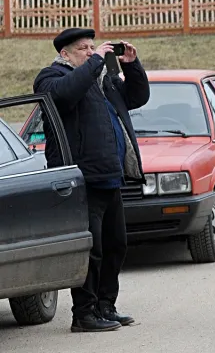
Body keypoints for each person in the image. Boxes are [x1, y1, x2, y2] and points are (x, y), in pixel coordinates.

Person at [33, 28, 149, 333]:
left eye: (93, 47)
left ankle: (105, 306)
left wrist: (132, 66)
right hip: (80, 179)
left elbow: (137, 97)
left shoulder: (102, 81)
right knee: (91, 249)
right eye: (84, 48)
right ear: (65, 54)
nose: (91, 51)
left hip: (110, 176)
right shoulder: (51, 78)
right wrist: (94, 63)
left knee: (116, 245)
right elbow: (66, 94)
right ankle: (83, 314)